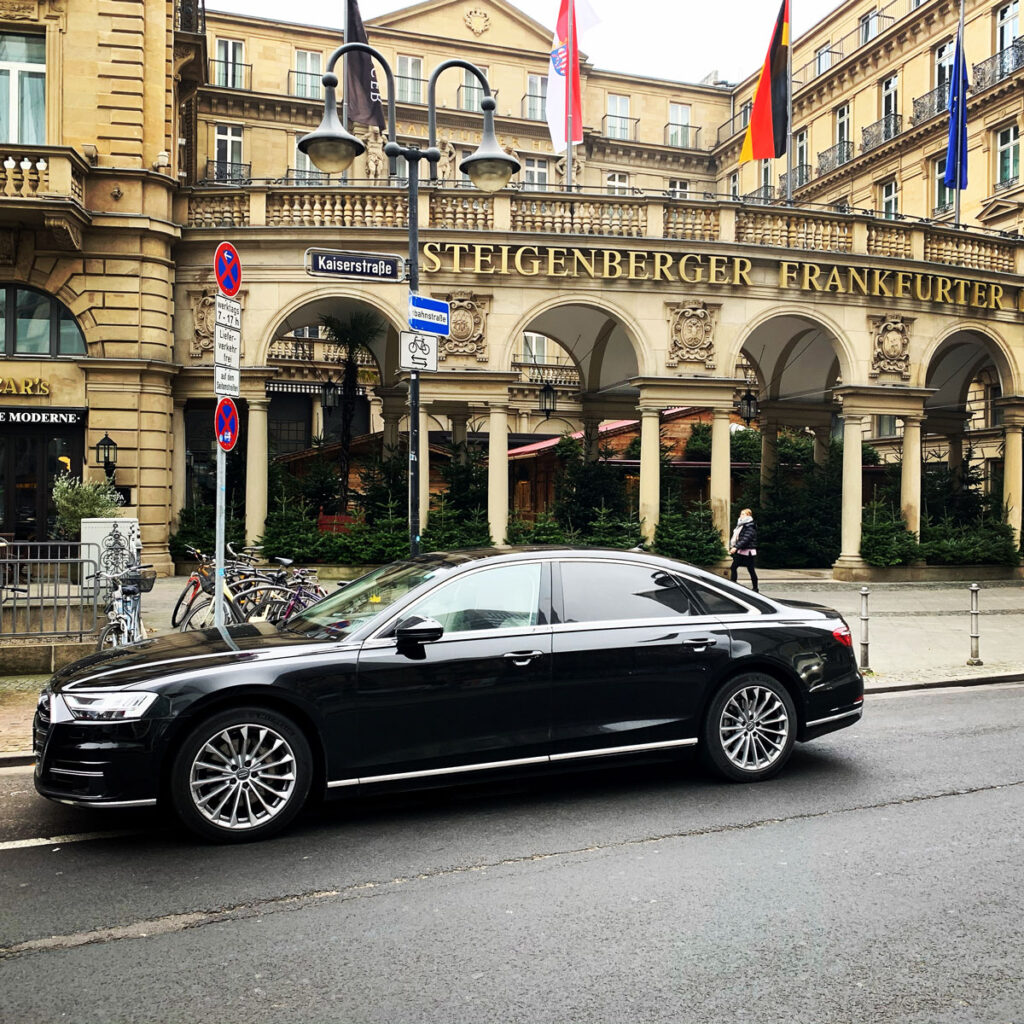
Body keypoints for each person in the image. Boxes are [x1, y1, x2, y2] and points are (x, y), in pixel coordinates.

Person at [729, 508, 758, 592]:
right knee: (733, 567)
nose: (740, 516)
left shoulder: (750, 526)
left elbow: (746, 539)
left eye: (743, 514)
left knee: (751, 570)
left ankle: (755, 588)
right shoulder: (741, 525)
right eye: (740, 514)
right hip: (741, 551)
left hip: (748, 552)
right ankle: (733, 585)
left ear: (748, 516)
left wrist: (736, 547)